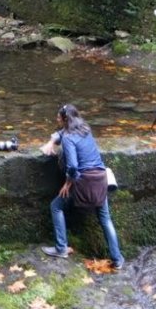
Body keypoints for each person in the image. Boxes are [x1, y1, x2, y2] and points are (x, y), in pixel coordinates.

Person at [39, 103, 124, 269]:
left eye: (58, 117)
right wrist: (52, 140)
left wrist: (67, 184)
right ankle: (117, 259)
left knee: (56, 206)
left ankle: (61, 248)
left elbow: (73, 166)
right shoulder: (85, 129)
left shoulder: (69, 138)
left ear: (64, 119)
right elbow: (61, 133)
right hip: (101, 179)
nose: (56, 119)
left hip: (84, 182)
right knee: (105, 219)